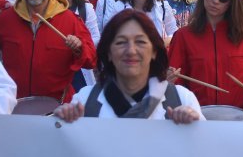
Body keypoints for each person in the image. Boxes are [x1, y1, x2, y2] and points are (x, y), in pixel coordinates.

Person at [53, 9, 203, 123]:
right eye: (120, 42)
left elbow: (202, 154)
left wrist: (194, 129)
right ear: (109, 53)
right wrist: (64, 124)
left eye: (140, 42)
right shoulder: (84, 102)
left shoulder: (181, 100)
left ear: (154, 51)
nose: (131, 51)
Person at [0, 0, 96, 101]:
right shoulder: (4, 20)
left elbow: (92, 61)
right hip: (14, 107)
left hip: (58, 110)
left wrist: (80, 47)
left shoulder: (71, 21)